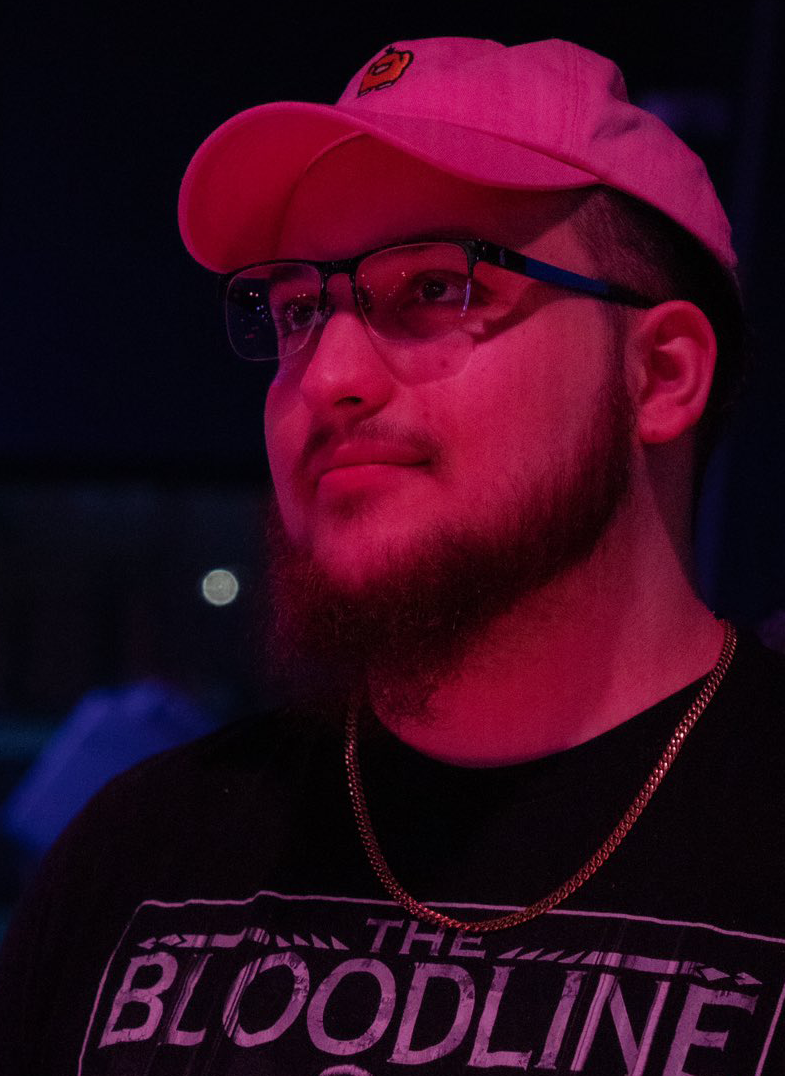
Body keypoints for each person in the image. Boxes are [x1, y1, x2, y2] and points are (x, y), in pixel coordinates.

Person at [1, 36, 784, 1076]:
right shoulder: (141, 853)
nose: (326, 375)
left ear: (659, 374)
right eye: (296, 310)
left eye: (433, 288)